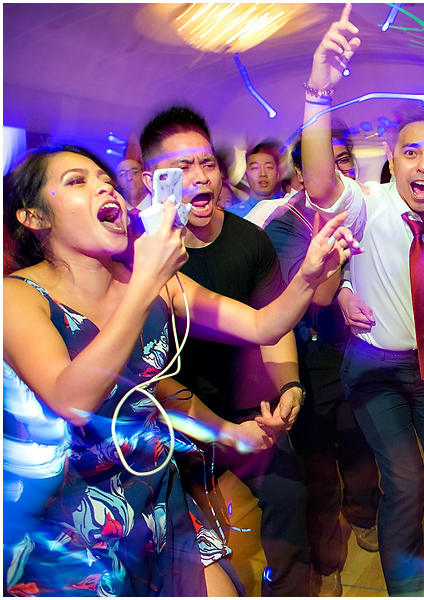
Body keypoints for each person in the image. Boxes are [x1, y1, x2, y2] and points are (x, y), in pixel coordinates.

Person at [2, 144, 356, 596]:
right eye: (77, 181)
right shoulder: (17, 297)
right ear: (35, 218)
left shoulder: (153, 282)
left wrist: (308, 276)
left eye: (104, 180)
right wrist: (146, 281)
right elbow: (72, 400)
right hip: (71, 529)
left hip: (156, 498)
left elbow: (261, 324)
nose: (103, 187)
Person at [301, 6, 424, 595]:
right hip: (371, 372)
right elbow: (319, 185)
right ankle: (405, 588)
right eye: (411, 152)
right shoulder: (367, 205)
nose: (423, 164)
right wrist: (319, 90)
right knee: (408, 481)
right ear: (393, 158)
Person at [138, 105, 318, 596]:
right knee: (196, 544)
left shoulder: (248, 241)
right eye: (181, 168)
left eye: (207, 164)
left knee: (288, 496)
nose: (199, 177)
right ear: (154, 181)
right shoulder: (139, 257)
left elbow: (269, 324)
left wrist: (290, 387)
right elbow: (150, 377)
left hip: (245, 404)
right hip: (168, 417)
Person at [264, 139, 383, 597]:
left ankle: (366, 517)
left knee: (359, 449)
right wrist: (334, 264)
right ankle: (330, 560)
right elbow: (317, 294)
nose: (332, 171)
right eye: (320, 163)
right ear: (299, 173)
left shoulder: (367, 209)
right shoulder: (282, 227)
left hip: (359, 350)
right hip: (306, 359)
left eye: (343, 161)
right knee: (318, 466)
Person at [231, 140, 283, 220]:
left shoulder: (288, 211)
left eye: (269, 167)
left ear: (278, 175)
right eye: (255, 168)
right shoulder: (232, 216)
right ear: (245, 176)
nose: (263, 174)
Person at [116, 135, 149, 210]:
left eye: (135, 172)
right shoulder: (117, 212)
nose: (129, 178)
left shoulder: (160, 206)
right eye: (123, 174)